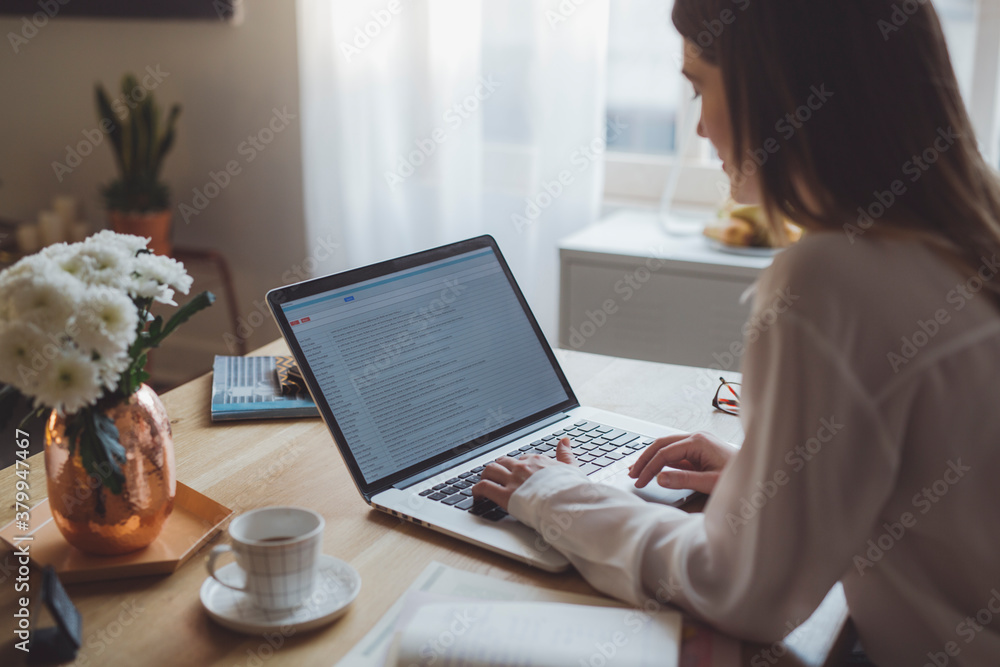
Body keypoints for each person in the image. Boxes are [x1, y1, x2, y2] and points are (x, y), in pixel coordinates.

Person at [471, 1, 1000, 664]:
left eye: (700, 86)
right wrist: (769, 481)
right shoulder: (969, 232)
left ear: (775, 86)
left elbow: (740, 591)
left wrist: (554, 494)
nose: (698, 125)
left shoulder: (833, 279)